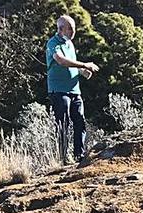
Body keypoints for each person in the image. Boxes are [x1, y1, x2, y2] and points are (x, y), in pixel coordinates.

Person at [46, 15, 99, 162]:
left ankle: (79, 156)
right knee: (63, 123)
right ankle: (62, 158)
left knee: (79, 122)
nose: (73, 32)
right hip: (59, 90)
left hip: (75, 90)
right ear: (60, 29)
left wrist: (83, 72)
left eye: (74, 28)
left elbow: (72, 63)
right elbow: (61, 61)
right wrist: (84, 65)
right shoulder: (53, 43)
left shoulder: (70, 44)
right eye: (70, 28)